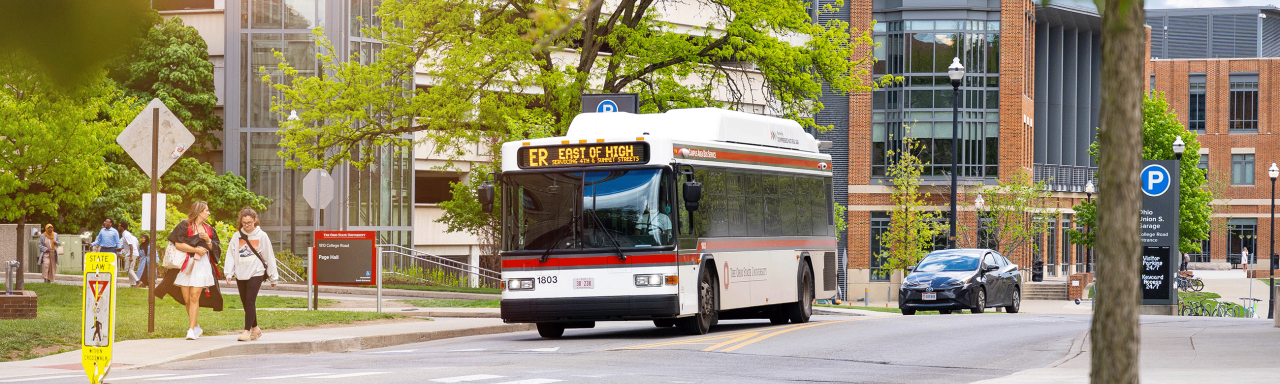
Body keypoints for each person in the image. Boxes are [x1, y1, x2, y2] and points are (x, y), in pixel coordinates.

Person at [156, 201, 224, 340]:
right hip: (186, 265)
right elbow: (178, 244)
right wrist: (195, 249)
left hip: (202, 265)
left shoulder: (209, 229)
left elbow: (215, 249)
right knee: (187, 299)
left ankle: (191, 330)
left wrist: (208, 241)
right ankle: (196, 326)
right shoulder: (184, 225)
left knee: (194, 296)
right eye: (206, 210)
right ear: (199, 212)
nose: (208, 213)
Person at [225, 207, 278, 342]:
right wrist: (228, 272)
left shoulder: (262, 236)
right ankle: (256, 328)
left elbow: (269, 256)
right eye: (244, 223)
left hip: (256, 272)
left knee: (250, 300)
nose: (247, 225)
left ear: (255, 220)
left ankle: (246, 332)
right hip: (241, 272)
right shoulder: (237, 236)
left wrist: (273, 276)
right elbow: (230, 255)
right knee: (246, 303)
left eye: (249, 222)